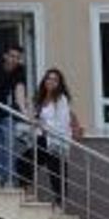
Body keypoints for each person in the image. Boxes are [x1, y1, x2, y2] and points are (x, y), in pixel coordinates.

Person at [24, 69, 73, 206]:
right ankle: (28, 191)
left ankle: (59, 205)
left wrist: (43, 125)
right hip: (42, 139)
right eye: (48, 78)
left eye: (55, 79)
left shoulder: (61, 99)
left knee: (57, 173)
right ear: (44, 81)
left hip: (56, 141)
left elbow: (63, 123)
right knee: (24, 162)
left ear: (59, 84)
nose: (51, 81)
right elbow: (34, 118)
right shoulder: (40, 98)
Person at [0, 46, 28, 186]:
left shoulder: (19, 70)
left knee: (7, 146)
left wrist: (24, 110)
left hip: (7, 114)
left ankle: (4, 180)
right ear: (5, 56)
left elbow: (19, 90)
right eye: (12, 56)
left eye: (17, 57)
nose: (14, 60)